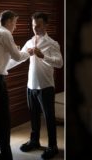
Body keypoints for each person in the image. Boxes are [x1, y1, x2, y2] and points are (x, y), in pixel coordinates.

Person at [18, 12, 63, 159]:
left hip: (45, 86)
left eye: (38, 25)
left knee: (49, 118)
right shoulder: (29, 42)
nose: (35, 28)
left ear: (45, 25)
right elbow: (19, 57)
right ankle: (34, 141)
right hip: (31, 86)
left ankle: (53, 146)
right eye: (33, 26)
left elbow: (59, 63)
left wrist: (43, 56)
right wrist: (1, 67)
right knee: (33, 116)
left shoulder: (52, 43)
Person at [0, 10, 30, 160]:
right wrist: (29, 52)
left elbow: (7, 64)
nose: (15, 25)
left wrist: (23, 56)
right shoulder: (6, 34)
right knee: (4, 120)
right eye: (15, 22)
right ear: (8, 22)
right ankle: (7, 156)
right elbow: (18, 56)